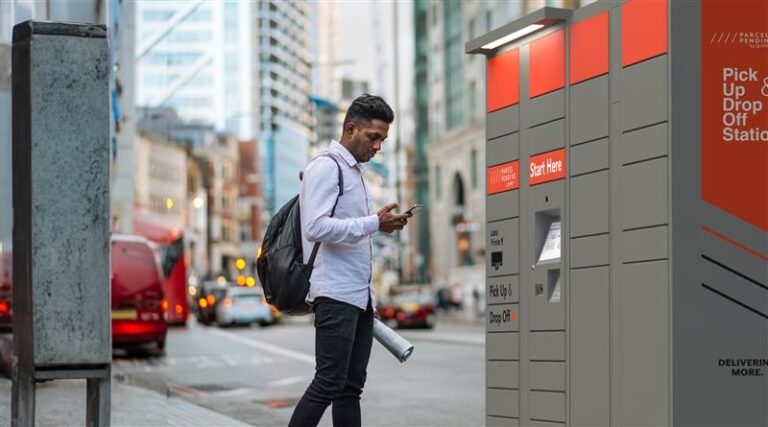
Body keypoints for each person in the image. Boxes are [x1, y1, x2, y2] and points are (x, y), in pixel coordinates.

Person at [289, 94, 411, 427]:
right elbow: (315, 226)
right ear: (350, 128)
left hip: (358, 298)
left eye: (383, 140)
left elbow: (347, 230)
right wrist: (374, 223)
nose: (378, 147)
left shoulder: (355, 172)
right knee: (328, 383)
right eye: (373, 137)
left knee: (349, 390)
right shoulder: (326, 166)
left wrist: (379, 224)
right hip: (334, 295)